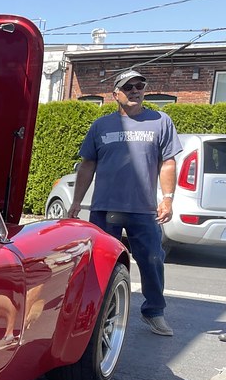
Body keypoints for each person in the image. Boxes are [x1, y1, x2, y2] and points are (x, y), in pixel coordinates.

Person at [69, 68, 182, 336]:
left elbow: (168, 162)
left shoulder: (160, 121)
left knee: (152, 260)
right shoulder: (101, 126)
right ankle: (98, 313)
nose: (134, 91)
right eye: (128, 87)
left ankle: (154, 312)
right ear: (115, 94)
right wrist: (76, 202)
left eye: (139, 86)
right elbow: (88, 165)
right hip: (105, 208)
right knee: (101, 262)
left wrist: (167, 199)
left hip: (143, 209)